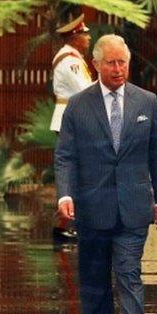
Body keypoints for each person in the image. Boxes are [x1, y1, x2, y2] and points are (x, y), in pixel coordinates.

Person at [54, 34, 157, 314]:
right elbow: (65, 156)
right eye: (111, 63)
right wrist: (65, 193)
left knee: (128, 270)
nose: (118, 69)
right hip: (92, 207)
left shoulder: (146, 101)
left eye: (123, 62)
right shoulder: (78, 105)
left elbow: (156, 154)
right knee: (94, 278)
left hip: (134, 204)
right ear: (96, 64)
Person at [51, 14, 94, 243]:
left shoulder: (73, 58)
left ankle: (70, 223)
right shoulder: (70, 61)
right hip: (71, 119)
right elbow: (85, 91)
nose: (88, 38)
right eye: (84, 34)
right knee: (72, 172)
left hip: (72, 117)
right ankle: (65, 224)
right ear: (74, 37)